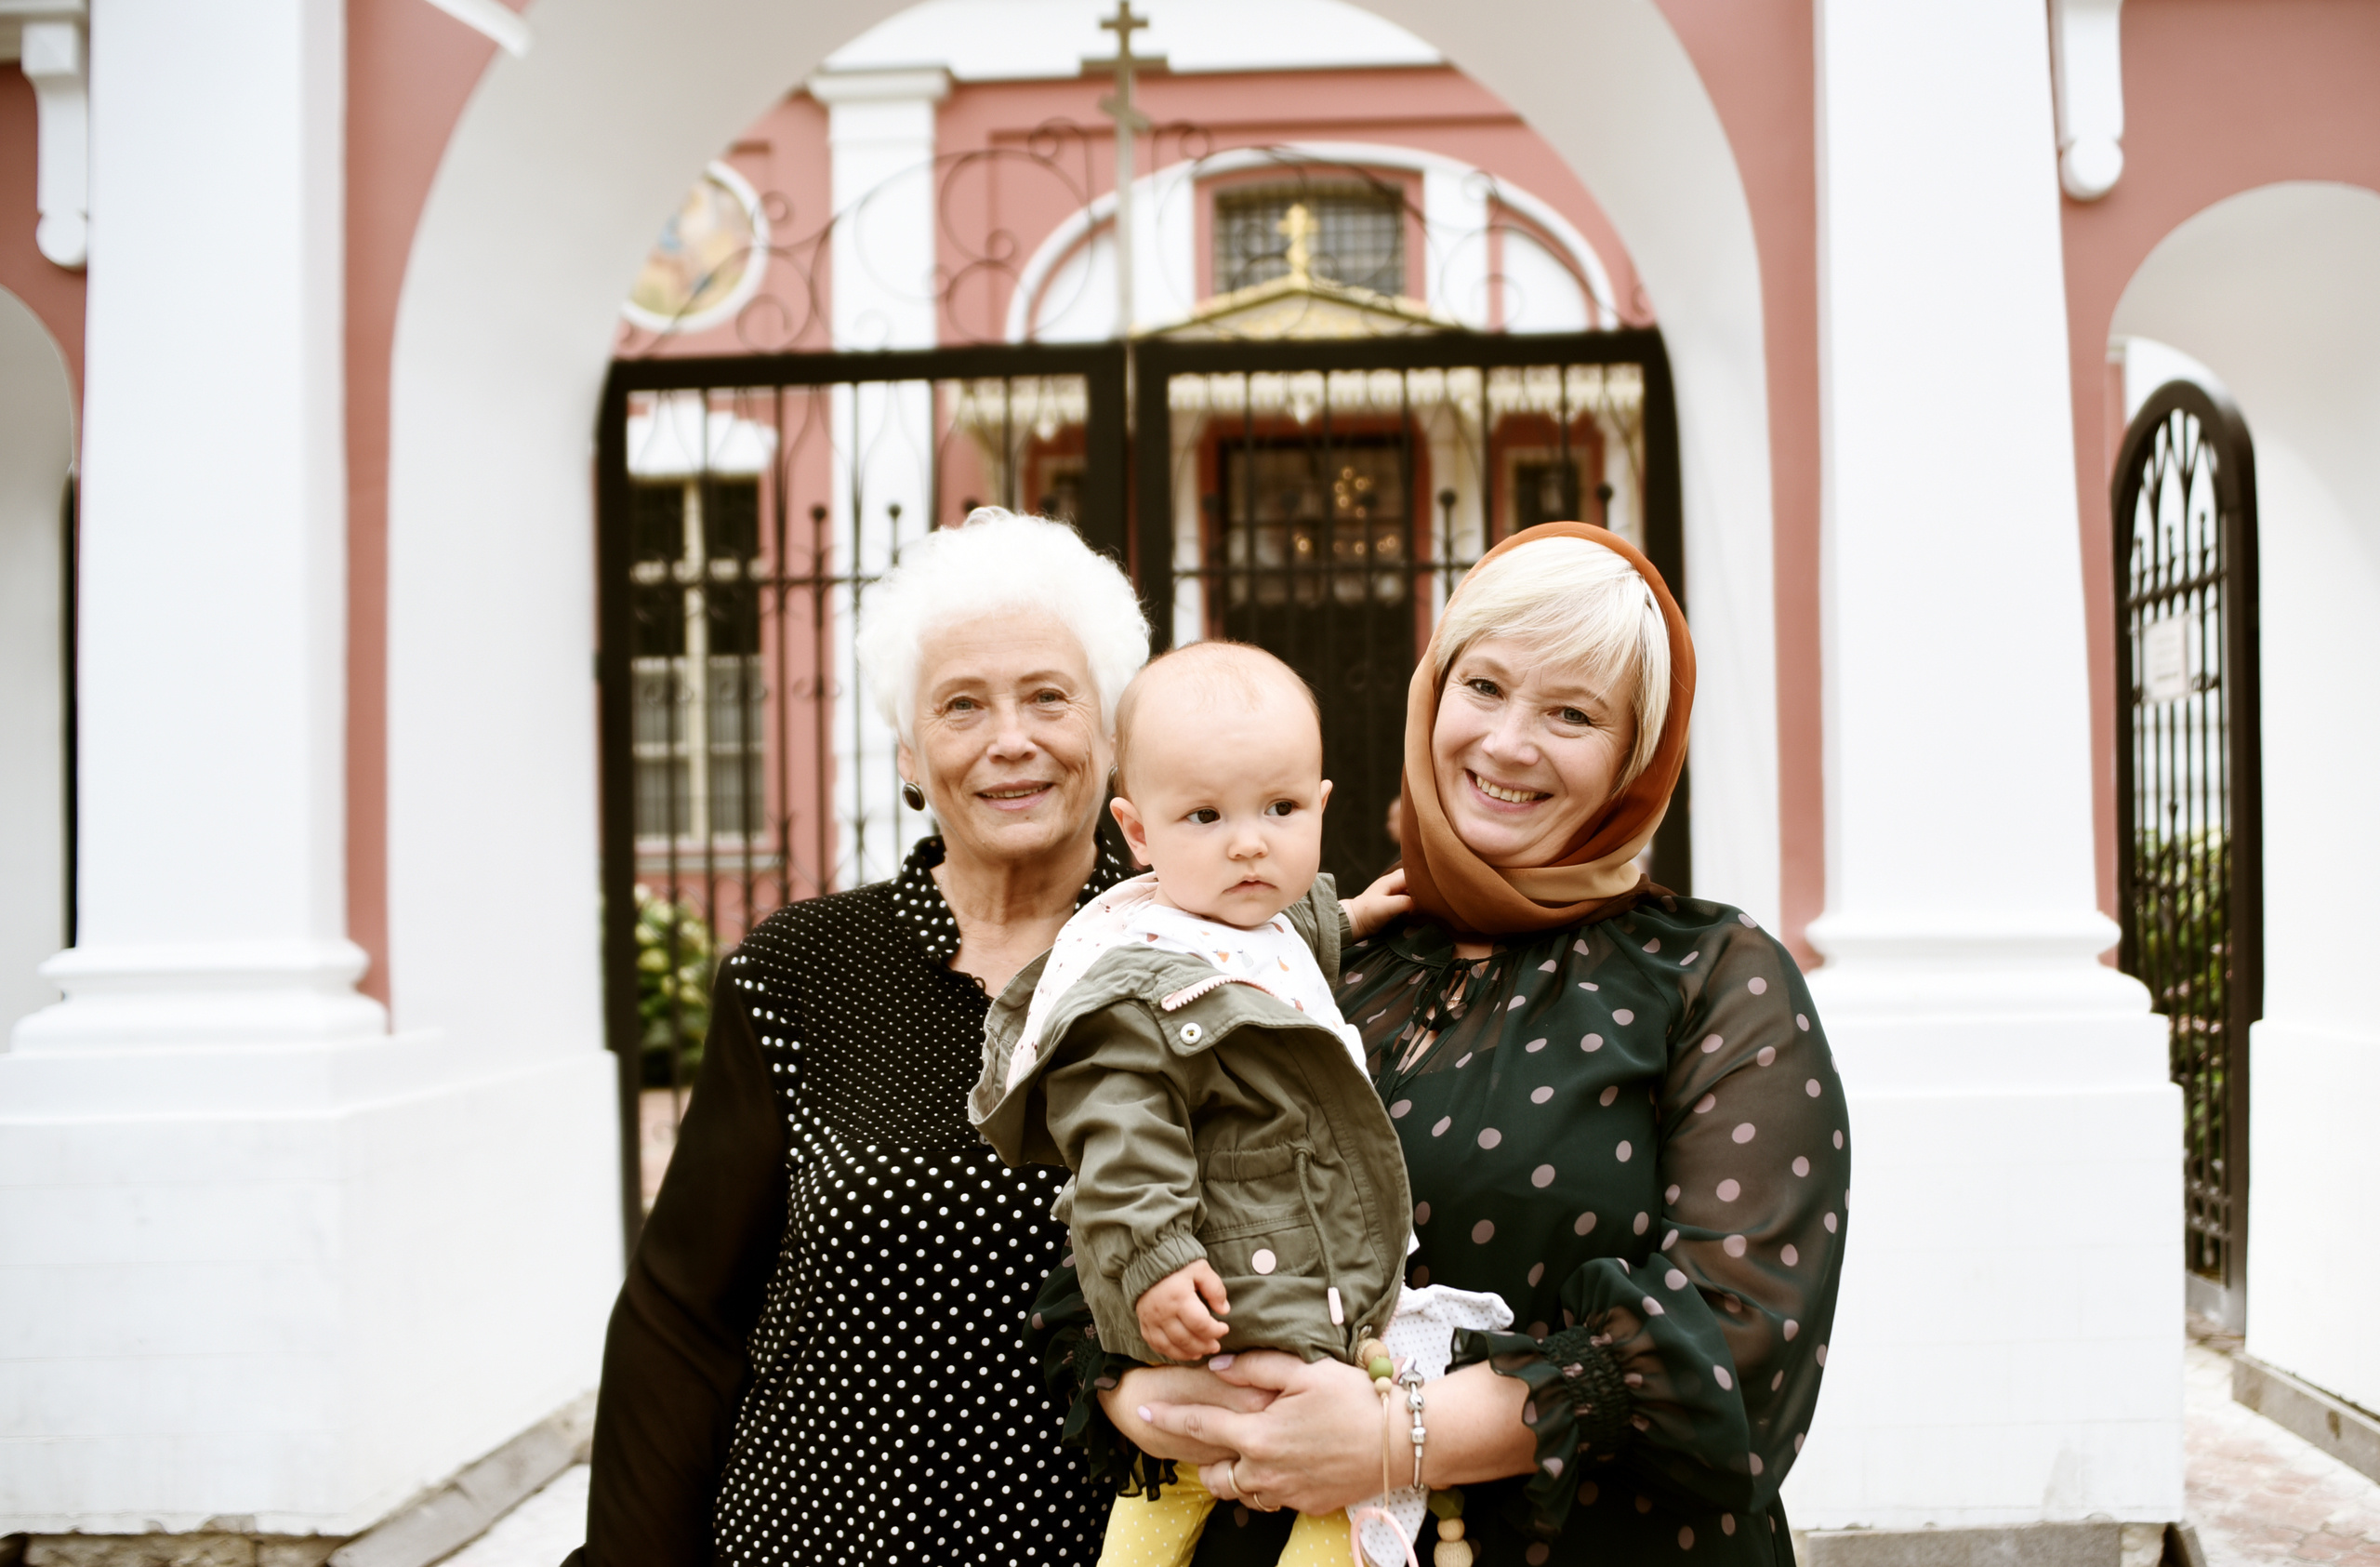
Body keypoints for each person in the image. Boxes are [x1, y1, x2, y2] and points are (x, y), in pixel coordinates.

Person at [1029, 523, 1850, 1567]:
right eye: (1486, 686)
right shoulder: (1301, 954)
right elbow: (1106, 1235)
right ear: (1433, 692)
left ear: (1634, 754)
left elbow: (1741, 1334)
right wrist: (1157, 1399)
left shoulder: (1711, 976)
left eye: (1571, 712)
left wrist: (1390, 1437)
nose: (1508, 742)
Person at [566, 509, 1158, 1567]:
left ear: (1110, 733)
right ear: (908, 755)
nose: (1008, 738)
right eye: (961, 705)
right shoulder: (797, 972)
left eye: (1047, 697)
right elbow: (680, 1317)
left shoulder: (1196, 958)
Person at [973, 644, 1501, 1567]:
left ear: (1320, 805)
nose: (1249, 841)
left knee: (1233, 1480)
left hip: (1285, 1285)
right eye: (1205, 815)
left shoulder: (1241, 916)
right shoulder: (1134, 977)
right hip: (1227, 1291)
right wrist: (1152, 1258)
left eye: (1280, 809)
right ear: (1138, 832)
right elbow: (1118, 1133)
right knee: (1303, 1489)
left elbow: (1272, 933)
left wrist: (1350, 914)